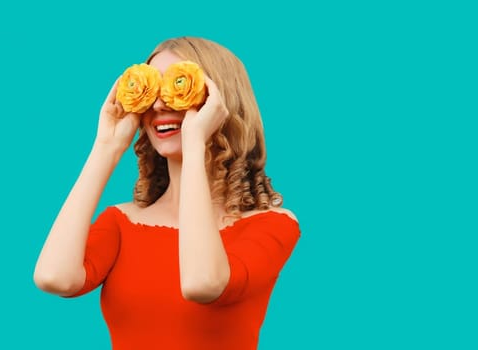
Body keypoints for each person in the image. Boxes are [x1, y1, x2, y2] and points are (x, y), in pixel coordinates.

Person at [33, 36, 301, 350]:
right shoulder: (122, 223)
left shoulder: (272, 225)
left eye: (179, 86)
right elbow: (54, 277)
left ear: (220, 102)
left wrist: (195, 140)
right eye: (151, 92)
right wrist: (106, 147)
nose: (160, 105)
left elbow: (202, 283)